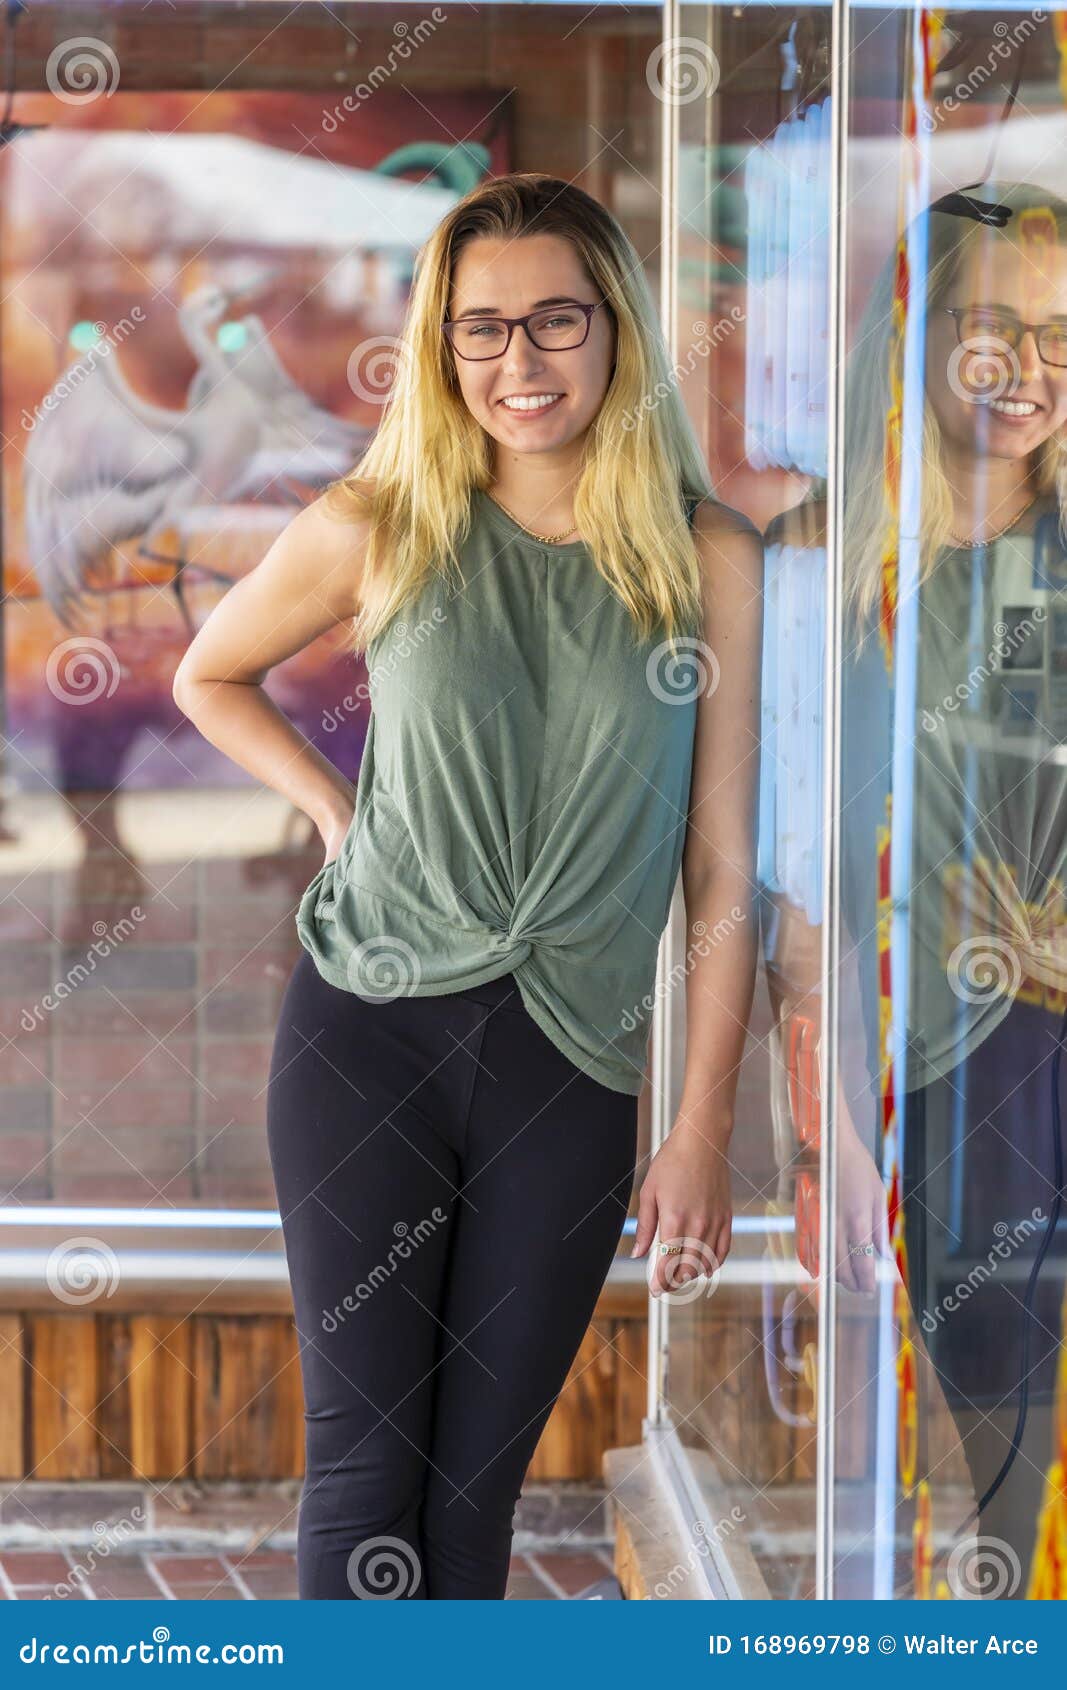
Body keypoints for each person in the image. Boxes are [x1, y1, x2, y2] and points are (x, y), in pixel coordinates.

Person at [172, 172, 764, 1600]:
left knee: (470, 1496)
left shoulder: (707, 555)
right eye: (480, 330)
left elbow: (722, 862)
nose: (519, 362)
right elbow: (210, 672)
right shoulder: (380, 523)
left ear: (614, 327)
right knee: (366, 1477)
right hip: (366, 1035)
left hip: (572, 1068)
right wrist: (330, 805)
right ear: (441, 349)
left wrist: (700, 1125)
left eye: (555, 321)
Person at [763, 181, 1067, 1596]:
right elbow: (789, 880)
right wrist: (819, 1133)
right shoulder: (828, 565)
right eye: (994, 327)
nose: (1029, 366)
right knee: (992, 1388)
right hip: (937, 1061)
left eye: (1063, 332)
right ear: (919, 335)